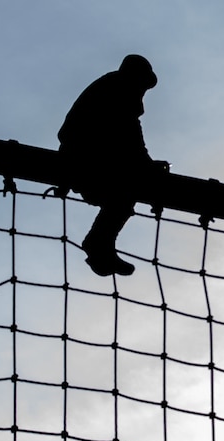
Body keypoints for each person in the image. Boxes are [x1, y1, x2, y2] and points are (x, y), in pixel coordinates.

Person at [57, 54, 168, 276]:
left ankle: (100, 244)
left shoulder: (112, 88)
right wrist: (147, 166)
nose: (144, 91)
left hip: (88, 157)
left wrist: (146, 164)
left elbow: (129, 141)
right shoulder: (118, 92)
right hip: (88, 159)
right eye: (144, 84)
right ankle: (99, 243)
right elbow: (129, 139)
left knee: (122, 197)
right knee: (122, 196)